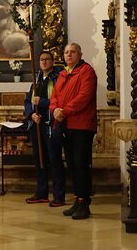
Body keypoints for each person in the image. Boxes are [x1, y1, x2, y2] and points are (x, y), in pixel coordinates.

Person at [50, 42, 97, 219]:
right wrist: (54, 110)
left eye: (73, 52)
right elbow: (54, 96)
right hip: (65, 124)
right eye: (66, 52)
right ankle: (77, 200)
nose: (69, 55)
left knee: (81, 164)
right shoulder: (62, 74)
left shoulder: (86, 71)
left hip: (82, 125)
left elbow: (84, 96)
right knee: (72, 164)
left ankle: (84, 203)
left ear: (80, 54)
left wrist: (64, 111)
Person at [24, 50, 65, 207]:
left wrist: (41, 103)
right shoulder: (37, 79)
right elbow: (28, 101)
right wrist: (31, 115)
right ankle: (41, 192)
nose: (44, 62)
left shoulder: (57, 79)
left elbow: (59, 101)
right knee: (39, 160)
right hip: (37, 125)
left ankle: (58, 195)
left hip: (51, 125)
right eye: (42, 60)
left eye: (47, 59)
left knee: (54, 160)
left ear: (52, 61)